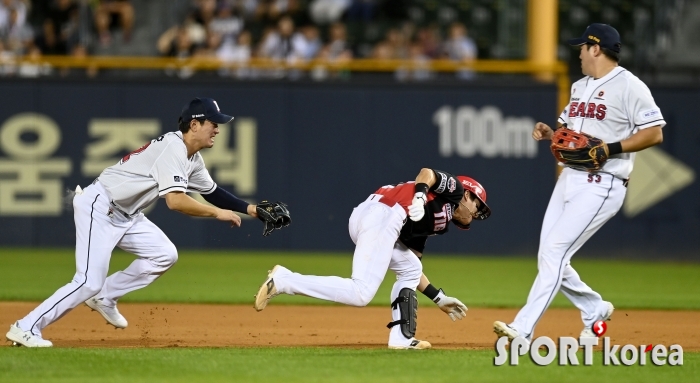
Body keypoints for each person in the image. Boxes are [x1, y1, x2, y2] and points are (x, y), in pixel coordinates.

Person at [6, 97, 291, 347]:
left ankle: (105, 296)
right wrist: (217, 214)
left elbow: (212, 192)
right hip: (101, 207)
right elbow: (176, 201)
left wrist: (250, 209)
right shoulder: (173, 149)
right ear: (194, 125)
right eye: (212, 123)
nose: (217, 128)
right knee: (87, 282)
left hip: (127, 215)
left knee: (164, 255)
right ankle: (26, 326)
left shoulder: (192, 158)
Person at [493, 23, 665, 345]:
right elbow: (567, 130)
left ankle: (523, 328)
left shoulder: (630, 86)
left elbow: (654, 132)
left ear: (596, 48)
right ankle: (595, 308)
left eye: (583, 48)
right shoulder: (578, 86)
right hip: (569, 177)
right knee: (549, 255)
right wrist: (550, 132)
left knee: (555, 251)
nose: (580, 54)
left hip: (603, 183)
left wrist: (611, 148)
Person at [254, 168, 491, 349]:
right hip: (385, 213)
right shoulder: (456, 191)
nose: (477, 212)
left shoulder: (438, 224)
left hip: (372, 216)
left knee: (410, 268)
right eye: (478, 204)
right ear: (467, 195)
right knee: (361, 292)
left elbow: (413, 269)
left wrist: (438, 298)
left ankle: (401, 338)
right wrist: (419, 197)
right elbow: (427, 173)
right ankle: (284, 280)